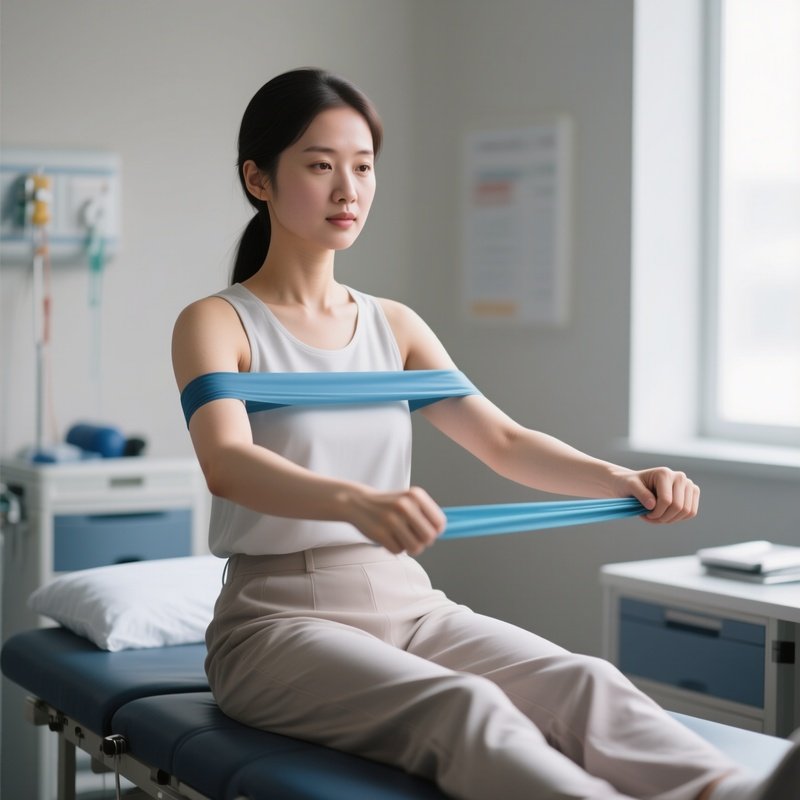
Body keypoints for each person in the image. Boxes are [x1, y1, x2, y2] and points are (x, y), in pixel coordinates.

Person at [172, 68, 799, 800]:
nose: (349, 189)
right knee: (463, 708)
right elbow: (227, 462)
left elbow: (501, 441)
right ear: (259, 179)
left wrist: (620, 481)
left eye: (364, 166)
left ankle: (733, 795)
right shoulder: (217, 322)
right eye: (319, 165)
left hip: (408, 603)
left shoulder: (393, 325)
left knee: (582, 683)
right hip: (275, 625)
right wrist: (355, 501)